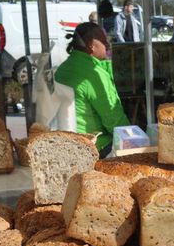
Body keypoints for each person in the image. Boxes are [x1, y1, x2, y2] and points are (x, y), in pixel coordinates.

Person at [54, 22, 130, 157]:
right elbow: (114, 122)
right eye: (103, 41)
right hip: (95, 146)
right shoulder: (94, 74)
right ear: (91, 45)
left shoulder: (63, 68)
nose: (107, 44)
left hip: (67, 142)